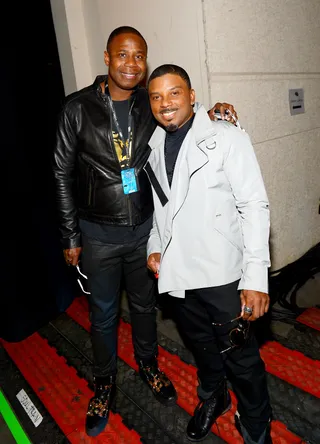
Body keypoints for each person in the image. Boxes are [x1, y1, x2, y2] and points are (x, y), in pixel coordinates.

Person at [52, 25, 237, 438]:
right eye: (122, 55)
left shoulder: (146, 104)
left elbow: (178, 114)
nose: (131, 64)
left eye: (138, 56)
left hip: (143, 231)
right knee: (102, 315)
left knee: (144, 308)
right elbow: (61, 173)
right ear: (106, 58)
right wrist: (70, 236)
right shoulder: (76, 108)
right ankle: (103, 384)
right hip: (97, 234)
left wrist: (211, 111)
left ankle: (148, 366)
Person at [146, 64, 273, 444]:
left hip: (223, 276)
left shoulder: (226, 136)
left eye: (174, 93)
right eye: (156, 96)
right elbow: (161, 211)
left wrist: (255, 277)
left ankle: (255, 427)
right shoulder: (153, 146)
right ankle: (213, 398)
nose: (165, 103)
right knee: (203, 350)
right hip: (179, 276)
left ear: (192, 95)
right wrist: (155, 247)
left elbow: (254, 204)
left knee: (244, 361)